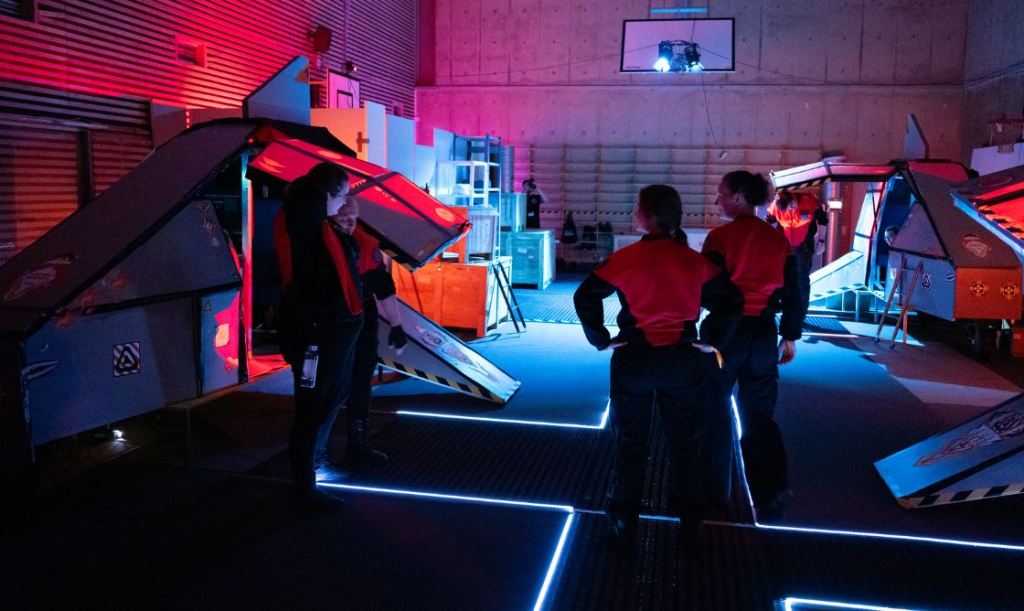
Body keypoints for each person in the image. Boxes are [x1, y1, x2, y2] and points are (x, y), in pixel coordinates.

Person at [574, 185, 742, 551]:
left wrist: (601, 338)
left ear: (648, 217)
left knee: (630, 444)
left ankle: (623, 521)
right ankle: (691, 523)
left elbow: (584, 295)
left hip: (634, 359)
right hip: (682, 361)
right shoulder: (694, 261)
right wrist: (712, 340)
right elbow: (732, 301)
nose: (634, 212)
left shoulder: (626, 258)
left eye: (638, 207)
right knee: (685, 445)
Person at [702, 170, 803, 522]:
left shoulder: (719, 239)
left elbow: (707, 288)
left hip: (724, 334)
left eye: (721, 194)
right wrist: (789, 334)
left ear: (738, 197)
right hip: (763, 333)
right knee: (759, 415)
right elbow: (795, 290)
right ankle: (770, 492)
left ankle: (715, 494)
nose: (718, 200)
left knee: (714, 411)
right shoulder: (778, 240)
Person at [274, 162, 364, 511]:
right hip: (317, 330)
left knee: (324, 400)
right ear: (326, 195)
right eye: (341, 197)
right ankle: (304, 488)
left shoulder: (316, 222)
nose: (343, 205)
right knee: (312, 407)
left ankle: (311, 472)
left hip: (329, 329)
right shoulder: (305, 217)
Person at [321, 197, 408, 473]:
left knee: (361, 381)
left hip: (361, 314)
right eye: (343, 219)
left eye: (353, 219)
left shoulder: (364, 243)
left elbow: (383, 287)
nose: (349, 224)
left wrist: (396, 325)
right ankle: (318, 453)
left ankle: (357, 444)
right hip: (333, 317)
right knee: (334, 385)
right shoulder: (322, 242)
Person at [766, 190, 827, 315]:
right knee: (782, 278)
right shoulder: (775, 207)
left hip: (803, 247)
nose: (793, 208)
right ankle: (785, 309)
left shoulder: (808, 201)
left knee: (801, 280)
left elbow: (823, 219)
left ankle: (801, 312)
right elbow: (769, 222)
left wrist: (821, 241)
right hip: (784, 247)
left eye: (792, 205)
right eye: (789, 209)